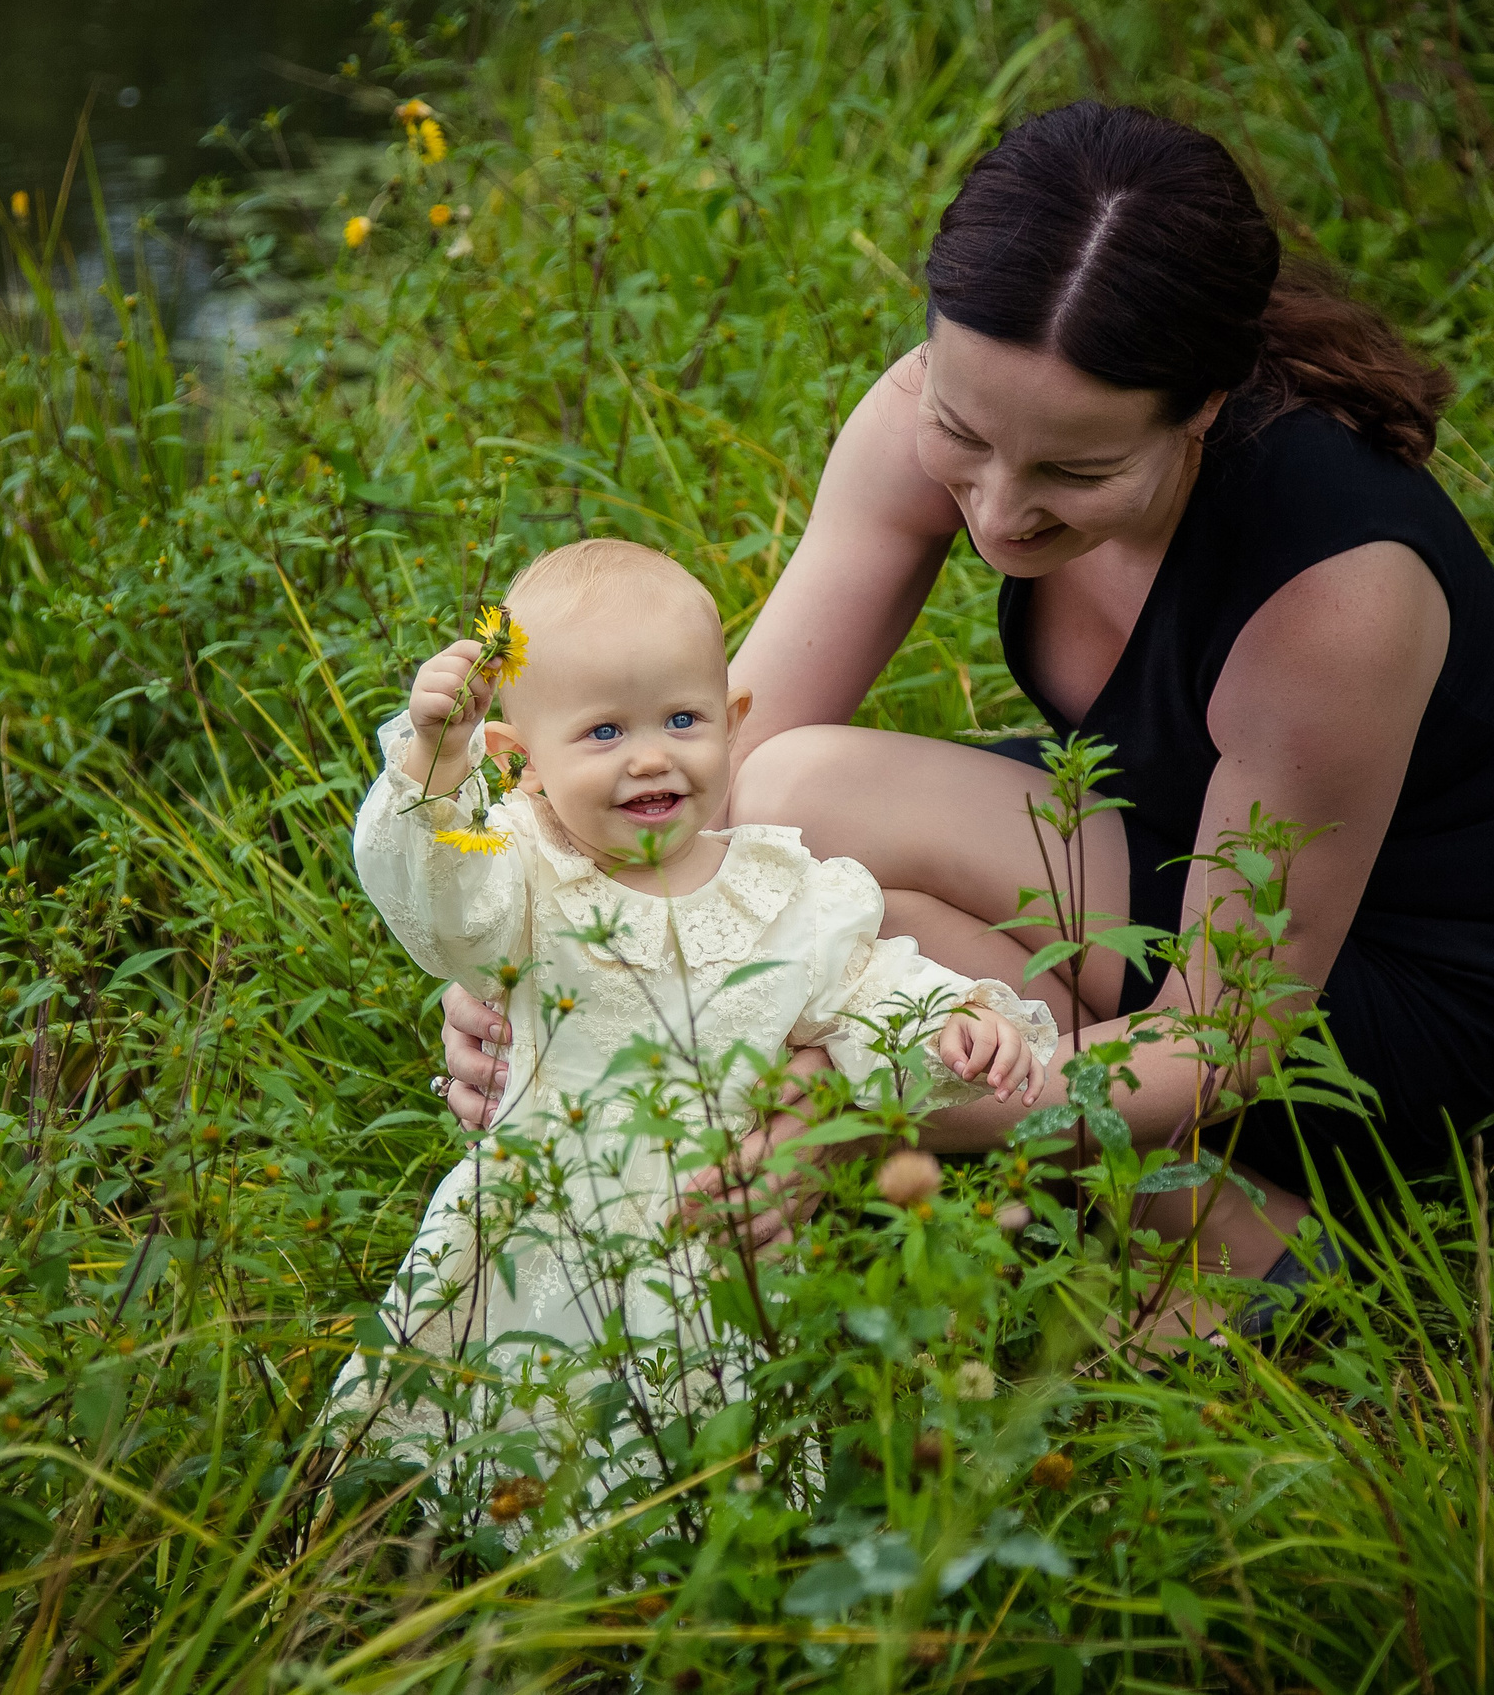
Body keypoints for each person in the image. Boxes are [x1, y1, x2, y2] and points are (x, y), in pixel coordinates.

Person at [435, 102, 1494, 1339]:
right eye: (962, 435)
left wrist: (850, 1106)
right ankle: (1118, 1190)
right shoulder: (944, 410)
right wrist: (534, 959)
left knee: (824, 862)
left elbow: (1229, 1029)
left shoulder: (1334, 598)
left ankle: (1245, 1244)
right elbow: (710, 781)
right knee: (805, 855)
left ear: (1202, 407)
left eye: (1075, 473)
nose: (996, 512)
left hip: (1361, 999)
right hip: (1165, 849)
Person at [333, 539, 1058, 1443]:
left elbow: (865, 984)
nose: (650, 758)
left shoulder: (781, 888)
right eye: (604, 732)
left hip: (716, 1239)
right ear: (522, 758)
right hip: (548, 1225)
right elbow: (441, 910)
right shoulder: (523, 870)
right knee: (518, 1433)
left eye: (682, 719)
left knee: (708, 1450)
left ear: (732, 720)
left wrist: (954, 1020)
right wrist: (437, 767)